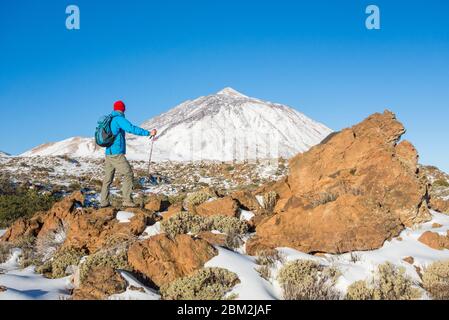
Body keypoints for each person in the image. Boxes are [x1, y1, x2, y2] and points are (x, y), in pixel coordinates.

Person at [100, 100, 157, 208]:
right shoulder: (118, 119)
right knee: (128, 174)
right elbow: (131, 128)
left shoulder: (110, 119)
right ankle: (127, 200)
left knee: (107, 179)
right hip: (116, 153)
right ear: (123, 109)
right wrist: (148, 133)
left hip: (108, 153)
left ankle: (104, 202)